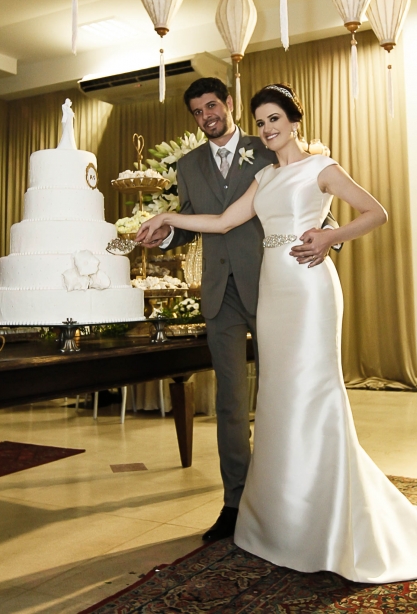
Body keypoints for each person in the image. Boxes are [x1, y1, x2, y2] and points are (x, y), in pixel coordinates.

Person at [138, 83, 417, 583]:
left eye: (275, 119)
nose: (267, 129)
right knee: (279, 394)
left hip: (309, 288)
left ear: (294, 122)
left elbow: (375, 212)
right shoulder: (263, 175)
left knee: (314, 390)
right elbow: (222, 221)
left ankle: (329, 507)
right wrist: (166, 216)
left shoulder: (321, 167)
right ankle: (285, 511)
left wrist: (330, 236)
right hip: (273, 290)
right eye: (262, 122)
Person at [140, 77, 276, 541]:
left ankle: (281, 494)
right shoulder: (188, 164)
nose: (206, 117)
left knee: (279, 393)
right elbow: (189, 220)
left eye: (212, 106)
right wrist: (165, 235)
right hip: (220, 294)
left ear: (229, 103)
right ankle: (235, 503)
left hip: (272, 284)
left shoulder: (266, 146)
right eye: (198, 112)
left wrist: (326, 234)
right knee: (230, 402)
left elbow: (301, 192)